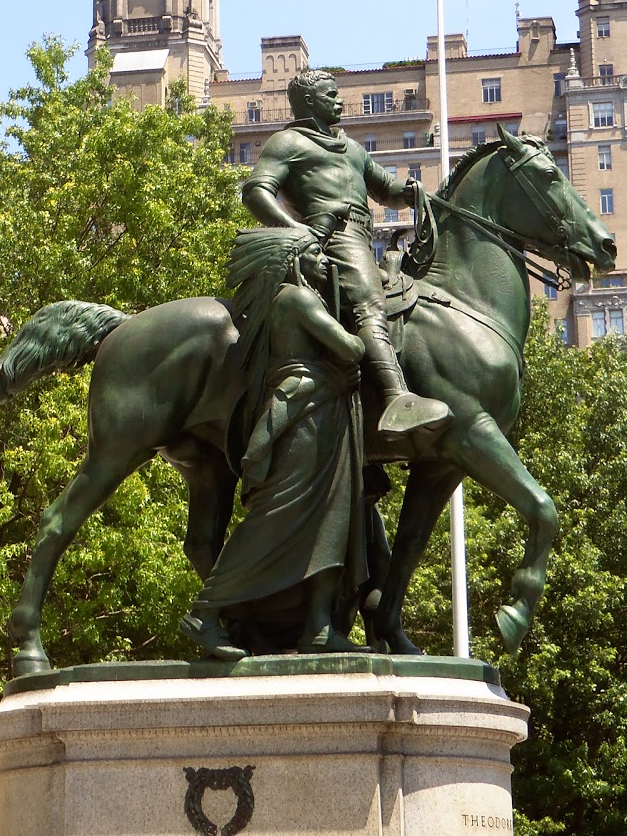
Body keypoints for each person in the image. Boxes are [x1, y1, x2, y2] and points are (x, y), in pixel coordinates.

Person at [181, 231, 369, 659]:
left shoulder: (294, 301)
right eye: (316, 255)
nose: (326, 262)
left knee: (334, 518)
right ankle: (204, 612)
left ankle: (320, 627)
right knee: (276, 515)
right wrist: (357, 330)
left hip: (327, 412)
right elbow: (351, 348)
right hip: (304, 413)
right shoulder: (295, 300)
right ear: (294, 262)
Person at [242, 68, 449, 442]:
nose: (339, 100)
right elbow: (257, 192)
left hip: (364, 236)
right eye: (330, 95)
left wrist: (412, 191)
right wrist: (297, 230)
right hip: (332, 235)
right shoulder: (287, 142)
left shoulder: (352, 148)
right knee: (369, 303)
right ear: (308, 102)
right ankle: (395, 397)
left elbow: (384, 188)